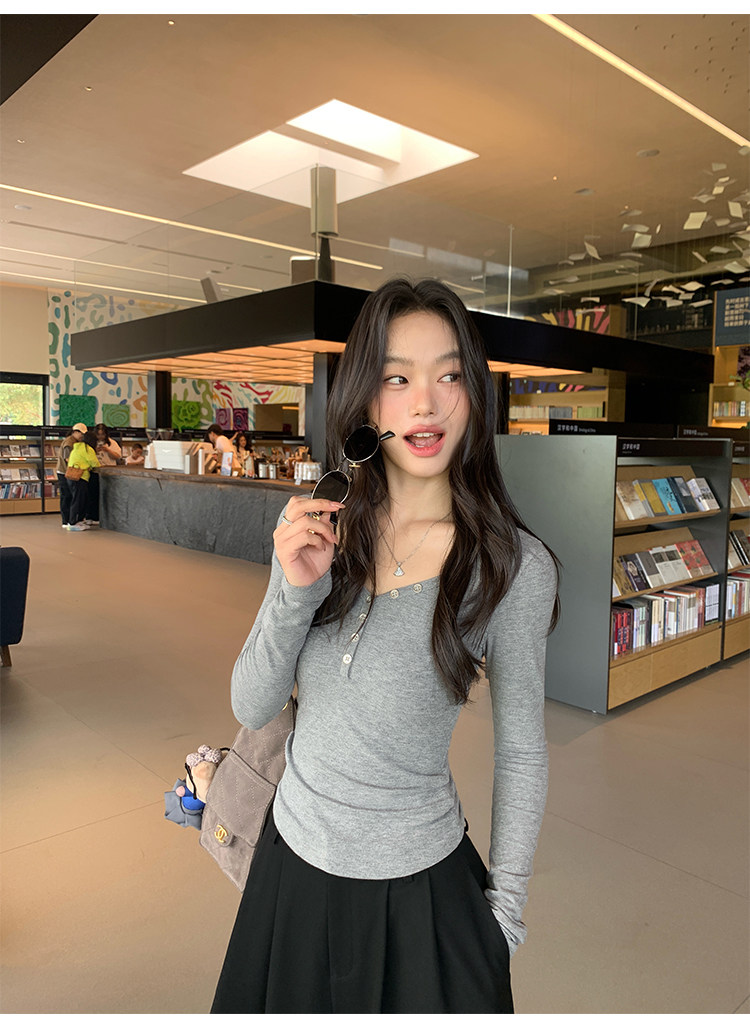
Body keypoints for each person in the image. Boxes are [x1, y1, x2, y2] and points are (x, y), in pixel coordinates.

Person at [211, 278, 560, 1015]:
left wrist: (503, 919)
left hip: (418, 890)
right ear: (367, 402)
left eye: (449, 376)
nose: (425, 403)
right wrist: (293, 588)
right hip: (288, 867)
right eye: (398, 379)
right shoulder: (323, 526)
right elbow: (253, 703)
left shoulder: (510, 565)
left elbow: (523, 751)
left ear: (475, 395)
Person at [55, 422, 86, 529]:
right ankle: (65, 520)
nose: (82, 435)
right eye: (80, 433)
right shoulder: (69, 442)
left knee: (70, 496)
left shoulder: (76, 442)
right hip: (64, 472)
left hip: (69, 472)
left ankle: (70, 520)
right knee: (66, 496)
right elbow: (68, 459)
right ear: (75, 432)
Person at [66, 431, 100, 531]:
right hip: (81, 477)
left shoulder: (77, 447)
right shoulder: (88, 449)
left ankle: (78, 520)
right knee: (78, 501)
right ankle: (72, 523)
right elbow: (95, 463)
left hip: (72, 476)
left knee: (78, 499)